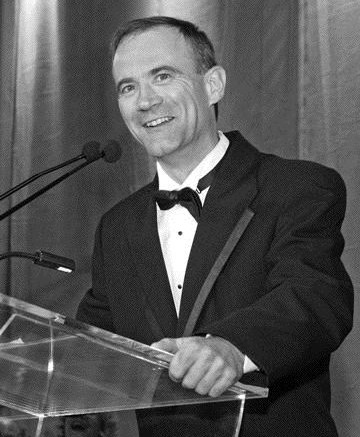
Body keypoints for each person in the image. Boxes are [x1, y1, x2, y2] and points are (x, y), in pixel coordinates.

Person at [77, 16, 353, 436]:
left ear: (214, 85)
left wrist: (231, 346)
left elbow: (315, 296)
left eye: (162, 76)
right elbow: (92, 350)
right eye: (127, 87)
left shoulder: (296, 187)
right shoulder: (117, 226)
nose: (144, 101)